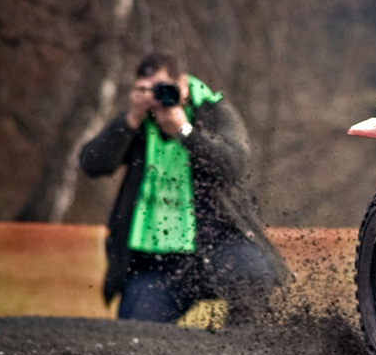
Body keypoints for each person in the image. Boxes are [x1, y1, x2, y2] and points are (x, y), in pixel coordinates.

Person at [80, 51, 289, 323]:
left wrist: (185, 132)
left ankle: (241, 349)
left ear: (182, 84)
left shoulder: (213, 111)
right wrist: (130, 118)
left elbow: (234, 166)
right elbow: (92, 163)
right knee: (134, 334)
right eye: (146, 90)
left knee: (253, 273)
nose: (156, 97)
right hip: (157, 262)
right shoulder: (139, 123)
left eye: (162, 88)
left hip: (217, 244)